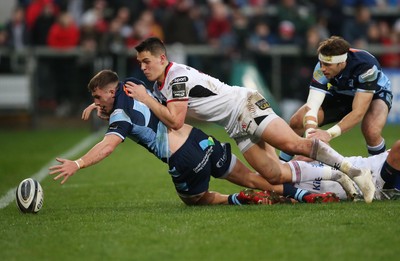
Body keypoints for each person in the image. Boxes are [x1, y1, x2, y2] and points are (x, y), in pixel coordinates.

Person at [123, 37, 375, 203]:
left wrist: (146, 99)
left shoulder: (176, 78)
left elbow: (175, 122)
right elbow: (152, 108)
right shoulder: (158, 88)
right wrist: (111, 104)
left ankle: (354, 171)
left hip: (244, 106)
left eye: (147, 61)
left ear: (162, 59)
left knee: (292, 145)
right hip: (234, 124)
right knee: (273, 174)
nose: (143, 67)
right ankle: (336, 175)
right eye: (140, 63)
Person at [48, 70, 342, 206]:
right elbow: (132, 109)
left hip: (185, 160)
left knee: (194, 200)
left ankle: (239, 200)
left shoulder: (119, 117)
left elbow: (109, 144)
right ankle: (305, 194)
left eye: (99, 97)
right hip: (202, 141)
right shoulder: (132, 83)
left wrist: (79, 162)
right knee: (255, 177)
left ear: (111, 93)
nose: (98, 101)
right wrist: (101, 107)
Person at [286, 36, 392, 158]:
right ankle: (282, 166)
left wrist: (328, 134)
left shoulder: (366, 67)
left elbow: (358, 112)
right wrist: (312, 136)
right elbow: (312, 107)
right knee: (297, 121)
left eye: (327, 65)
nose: (322, 68)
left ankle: (380, 171)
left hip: (375, 94)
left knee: (371, 130)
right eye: (321, 63)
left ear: (342, 63)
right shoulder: (321, 68)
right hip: (342, 92)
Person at [294, 137, 400, 201]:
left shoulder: (290, 167)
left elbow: (323, 147)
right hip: (375, 183)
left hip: (372, 166)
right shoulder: (283, 179)